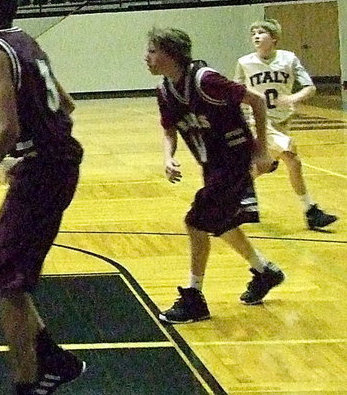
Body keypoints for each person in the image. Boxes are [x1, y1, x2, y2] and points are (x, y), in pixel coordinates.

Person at [0, 0, 85, 395]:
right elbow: (66, 105)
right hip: (52, 165)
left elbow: (8, 129)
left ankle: (27, 383)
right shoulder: (27, 42)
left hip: (45, 172)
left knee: (5, 279)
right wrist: (41, 147)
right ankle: (53, 359)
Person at [145, 27, 286, 324]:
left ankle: (194, 297)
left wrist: (260, 150)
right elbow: (169, 130)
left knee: (196, 222)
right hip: (212, 165)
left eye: (152, 50)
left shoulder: (205, 80)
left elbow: (257, 101)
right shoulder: (165, 91)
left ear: (170, 54)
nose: (146, 57)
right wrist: (168, 157)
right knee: (221, 222)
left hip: (235, 163)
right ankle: (265, 271)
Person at [234, 19, 338, 230]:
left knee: (262, 167)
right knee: (292, 158)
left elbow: (310, 88)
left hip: (283, 120)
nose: (256, 36)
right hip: (260, 121)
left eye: (261, 32)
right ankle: (310, 211)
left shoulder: (289, 59)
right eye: (253, 33)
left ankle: (229, 195)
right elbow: (235, 91)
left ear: (274, 38)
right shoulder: (244, 62)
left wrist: (292, 99)